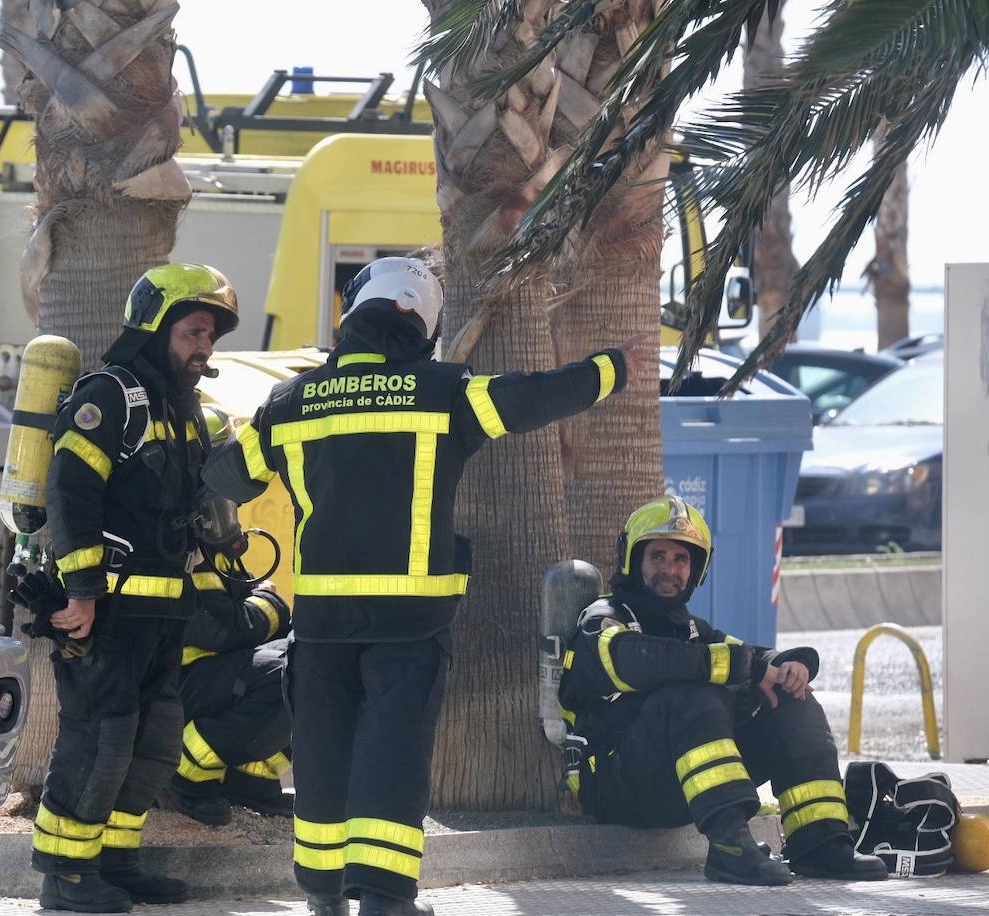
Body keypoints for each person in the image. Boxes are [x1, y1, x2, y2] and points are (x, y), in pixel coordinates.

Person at [202, 256, 657, 916]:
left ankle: (324, 897)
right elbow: (532, 397)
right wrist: (612, 367)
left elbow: (227, 479)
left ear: (354, 314)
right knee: (394, 754)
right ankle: (385, 901)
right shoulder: (444, 391)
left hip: (323, 627)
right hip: (407, 626)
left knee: (323, 754)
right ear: (419, 323)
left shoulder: (289, 401)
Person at [26, 264, 240, 914]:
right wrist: (81, 591)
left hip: (164, 610)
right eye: (193, 332)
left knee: (152, 742)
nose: (204, 348)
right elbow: (70, 491)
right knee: (100, 739)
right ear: (156, 326)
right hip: (109, 609)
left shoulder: (189, 414)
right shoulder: (111, 396)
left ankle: (114, 863)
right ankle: (65, 876)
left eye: (210, 337)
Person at [557, 496, 889, 886]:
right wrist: (744, 667)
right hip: (617, 788)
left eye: (681, 560)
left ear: (696, 569)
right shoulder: (604, 618)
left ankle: (822, 844)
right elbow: (640, 660)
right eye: (658, 557)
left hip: (679, 786)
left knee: (787, 698)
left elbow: (747, 655)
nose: (670, 569)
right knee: (695, 693)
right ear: (633, 560)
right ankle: (731, 847)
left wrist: (787, 665)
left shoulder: (691, 629)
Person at [169, 567, 294, 826]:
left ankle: (251, 784)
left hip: (211, 675)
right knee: (286, 675)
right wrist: (268, 600)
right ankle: (187, 771)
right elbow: (224, 629)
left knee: (314, 659)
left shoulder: (214, 550)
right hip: (174, 684)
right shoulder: (176, 552)